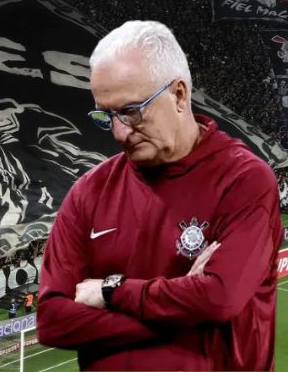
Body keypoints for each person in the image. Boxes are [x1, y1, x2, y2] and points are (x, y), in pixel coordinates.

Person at [36, 20, 283, 371]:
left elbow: (219, 299)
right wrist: (183, 311)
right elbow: (52, 320)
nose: (119, 132)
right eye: (106, 116)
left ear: (179, 95)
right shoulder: (89, 191)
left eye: (131, 112)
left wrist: (111, 292)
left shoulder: (243, 180)